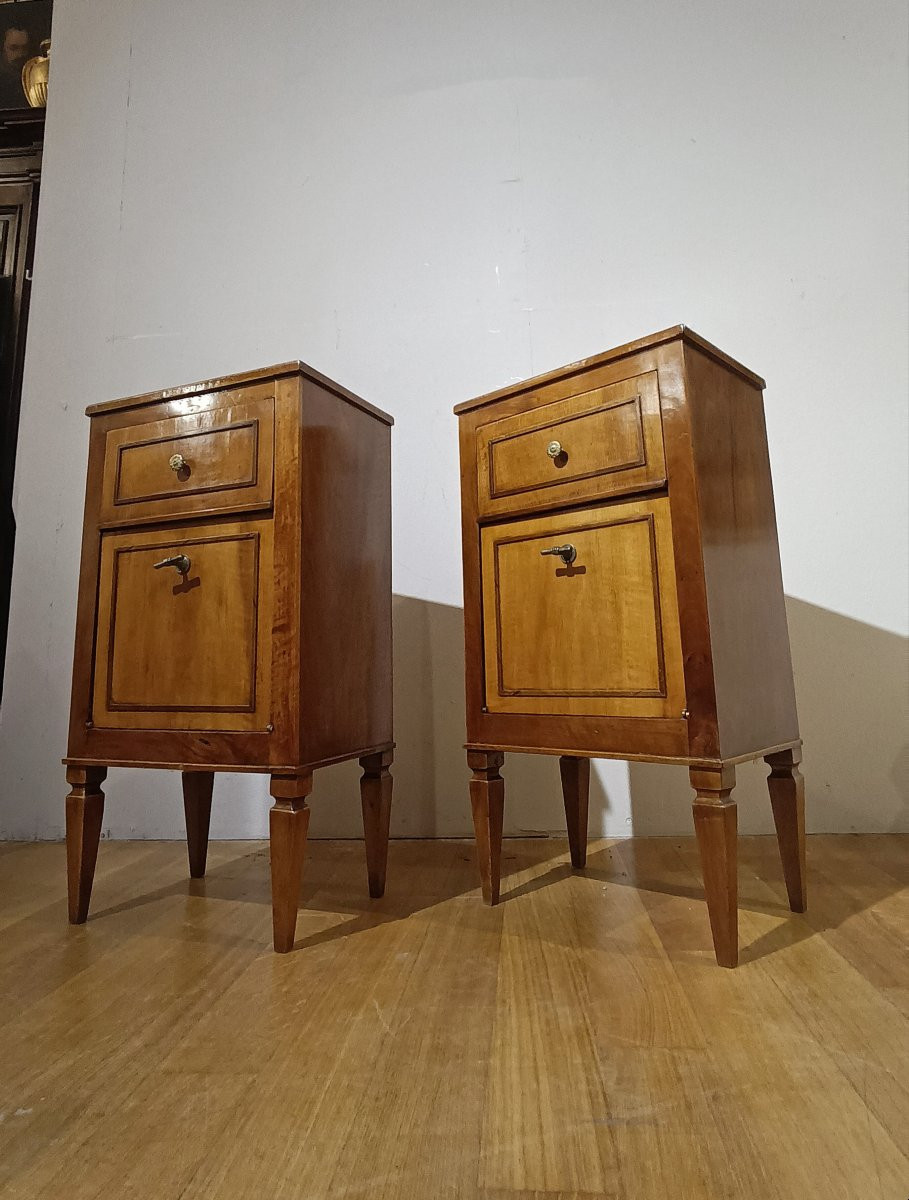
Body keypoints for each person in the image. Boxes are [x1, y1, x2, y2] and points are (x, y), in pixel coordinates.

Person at [0, 25, 31, 108]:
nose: (20, 54)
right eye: (13, 48)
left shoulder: (31, 78)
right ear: (2, 49)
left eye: (24, 48)